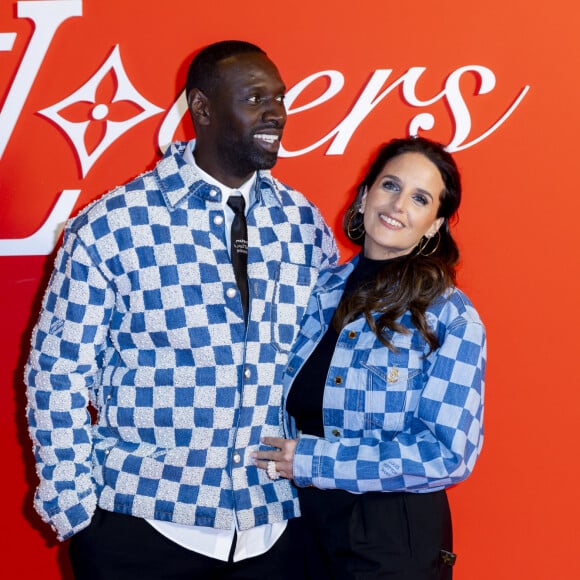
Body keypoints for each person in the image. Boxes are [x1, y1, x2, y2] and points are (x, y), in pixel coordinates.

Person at [24, 40, 338, 579]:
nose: (276, 113)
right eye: (256, 97)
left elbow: (325, 367)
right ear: (203, 109)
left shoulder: (303, 224)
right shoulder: (111, 226)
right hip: (142, 530)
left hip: (274, 534)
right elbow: (57, 372)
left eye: (280, 98)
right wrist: (76, 512)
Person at [254, 136, 486, 579]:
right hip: (298, 527)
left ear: (434, 224)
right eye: (390, 186)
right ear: (364, 197)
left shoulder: (449, 315)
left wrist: (316, 461)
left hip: (391, 539)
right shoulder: (314, 294)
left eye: (419, 199)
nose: (398, 205)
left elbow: (448, 453)